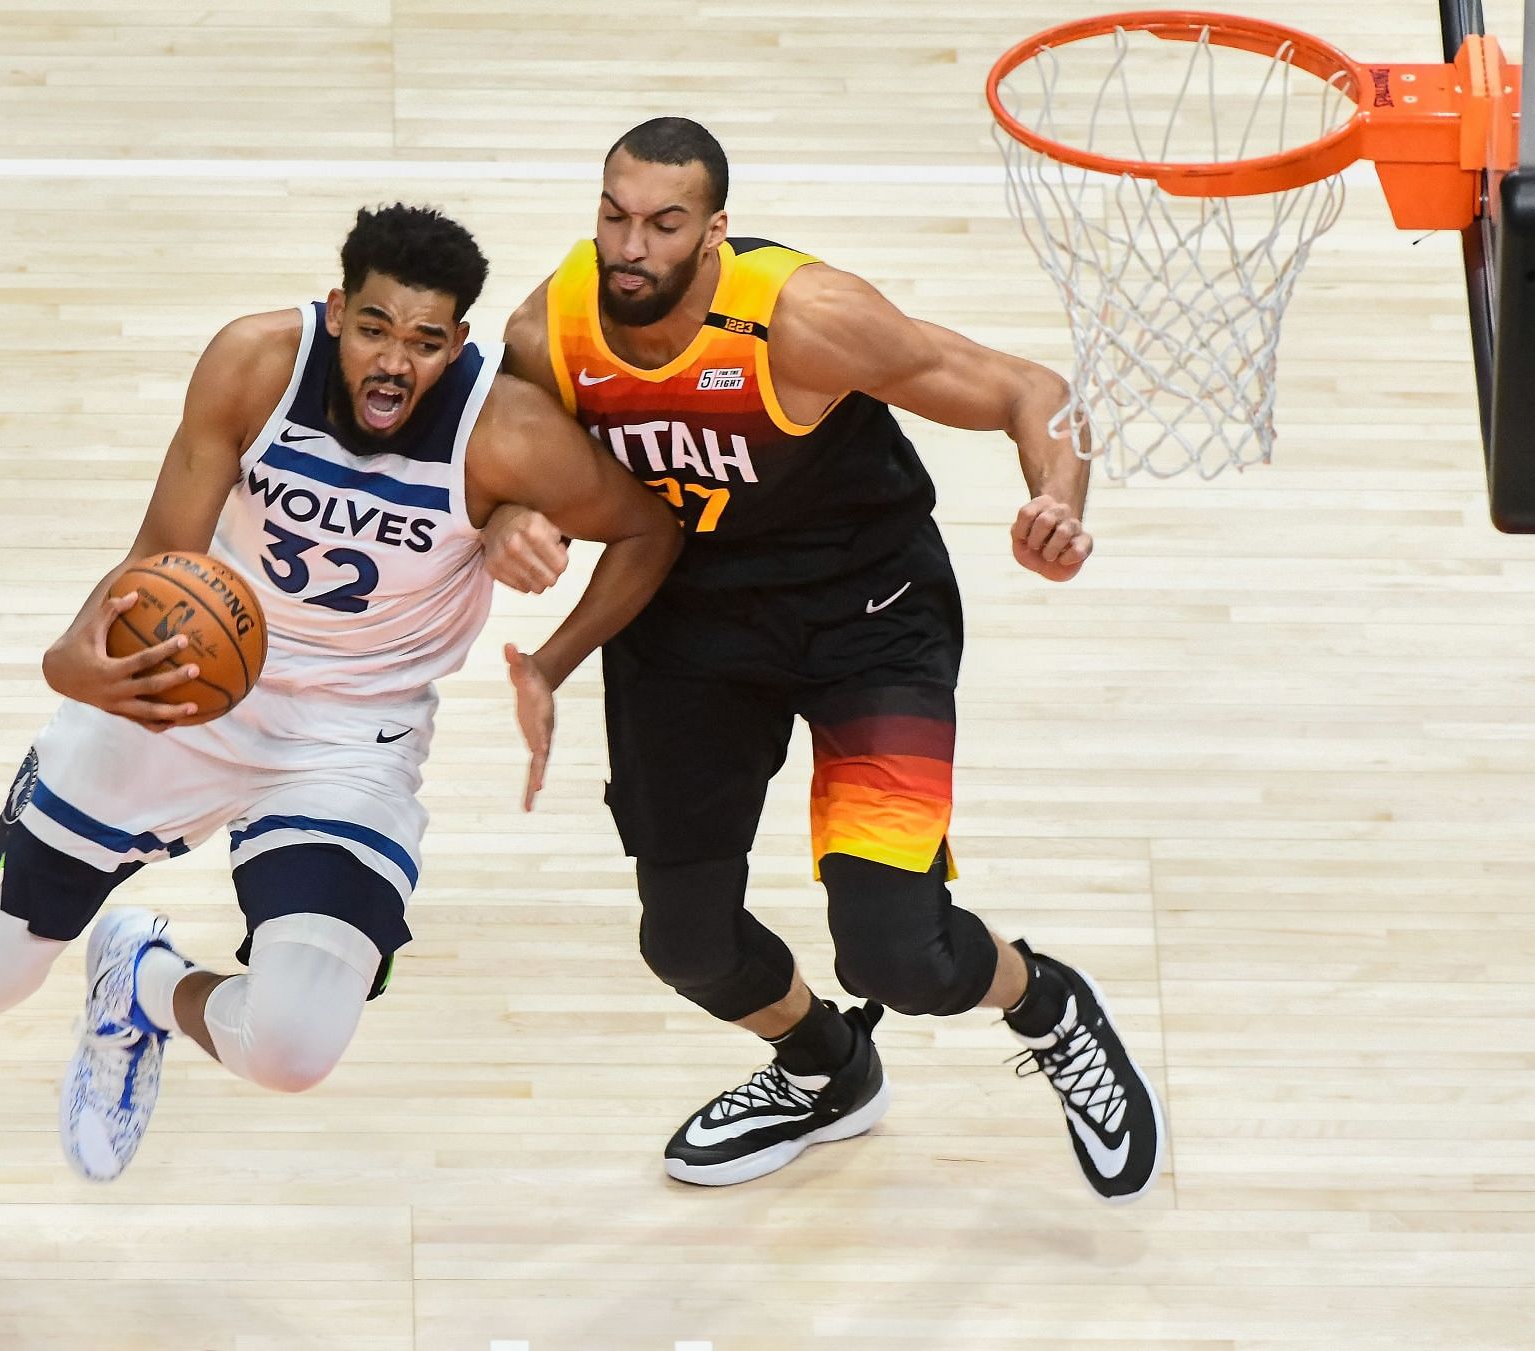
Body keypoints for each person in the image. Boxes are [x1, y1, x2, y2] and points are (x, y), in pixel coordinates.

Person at [0, 203, 683, 1254]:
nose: (395, 360)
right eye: (376, 327)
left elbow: (649, 525)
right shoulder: (255, 363)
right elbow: (162, 548)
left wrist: (551, 660)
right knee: (4, 961)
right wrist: (74, 653)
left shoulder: (507, 435)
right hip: (193, 679)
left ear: (457, 345)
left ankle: (144, 983)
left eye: (425, 341)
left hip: (353, 731)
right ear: (338, 313)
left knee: (293, 1045)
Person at [486, 117, 1165, 1200]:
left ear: (715, 233)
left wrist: (1055, 501)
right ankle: (826, 1070)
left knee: (901, 953)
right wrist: (505, 518)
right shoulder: (550, 328)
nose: (631, 247)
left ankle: (1050, 1001)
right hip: (690, 626)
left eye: (664, 224)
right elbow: (494, 459)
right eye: (614, 216)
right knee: (688, 943)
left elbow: (1031, 391)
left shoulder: (802, 320)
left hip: (869, 616)